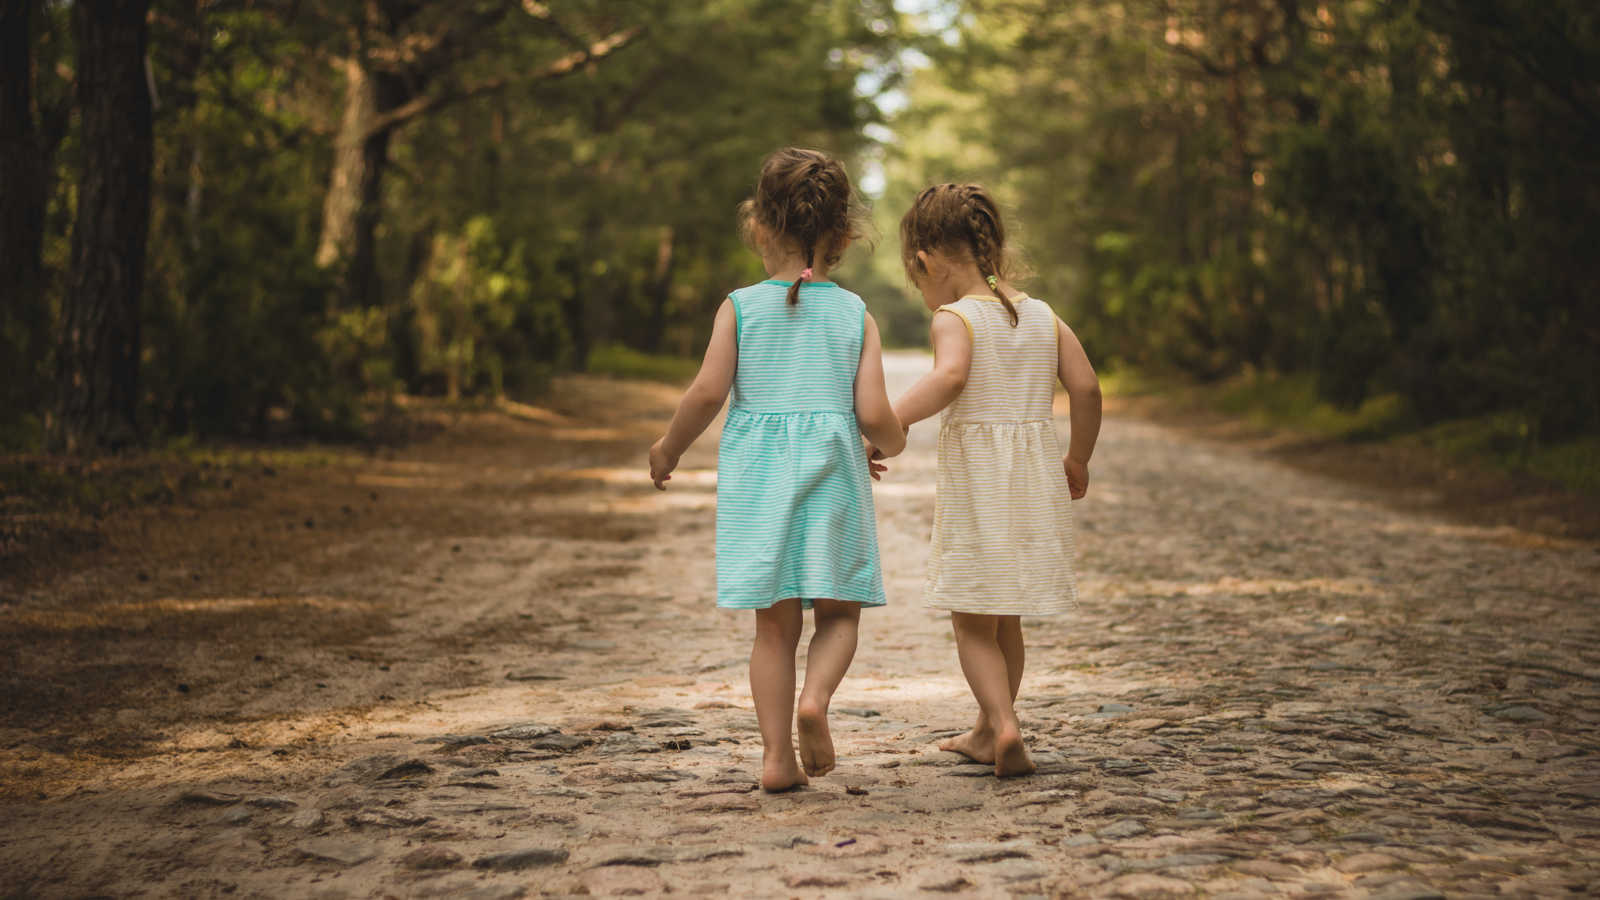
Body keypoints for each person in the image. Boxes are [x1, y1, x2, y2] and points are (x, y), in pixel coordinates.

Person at [649, 147, 906, 792]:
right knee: (840, 614)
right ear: (842, 236)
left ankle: (775, 759)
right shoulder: (854, 315)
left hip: (759, 485)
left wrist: (669, 448)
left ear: (760, 227)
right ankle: (815, 701)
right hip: (833, 478)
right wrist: (887, 443)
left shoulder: (738, 306)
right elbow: (874, 412)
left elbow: (707, 393)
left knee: (773, 628)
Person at [874, 183, 1101, 777]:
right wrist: (1077, 458)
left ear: (926, 262)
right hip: (1032, 486)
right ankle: (986, 728)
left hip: (981, 489)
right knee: (1007, 616)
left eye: (914, 278)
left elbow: (949, 379)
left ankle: (1004, 727)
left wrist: (890, 420)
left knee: (972, 616)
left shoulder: (956, 317)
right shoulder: (1042, 315)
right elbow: (1086, 387)